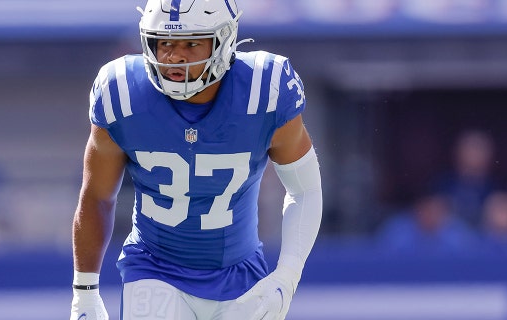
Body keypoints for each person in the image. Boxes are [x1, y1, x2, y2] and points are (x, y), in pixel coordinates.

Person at [70, 0, 323, 319]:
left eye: (192, 43)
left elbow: (305, 190)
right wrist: (85, 293)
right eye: (165, 43)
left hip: (241, 274)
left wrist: (286, 277)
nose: (175, 56)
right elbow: (96, 197)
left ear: (225, 40)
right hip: (154, 266)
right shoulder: (122, 91)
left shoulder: (265, 88)